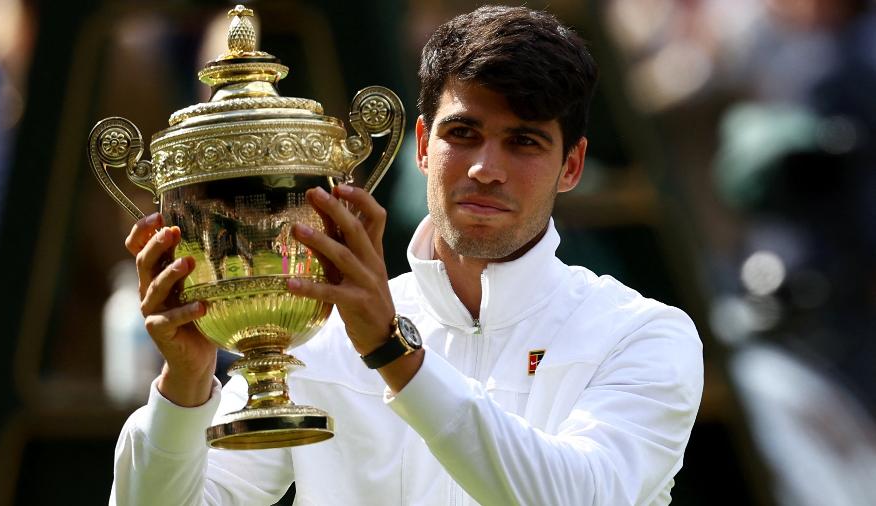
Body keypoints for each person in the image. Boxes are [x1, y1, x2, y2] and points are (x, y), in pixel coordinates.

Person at [111, 5, 703, 505]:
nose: (484, 170)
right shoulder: (316, 335)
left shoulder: (644, 334)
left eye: (523, 141)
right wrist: (184, 386)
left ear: (570, 166)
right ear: (422, 145)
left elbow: (581, 497)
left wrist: (392, 351)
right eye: (462, 134)